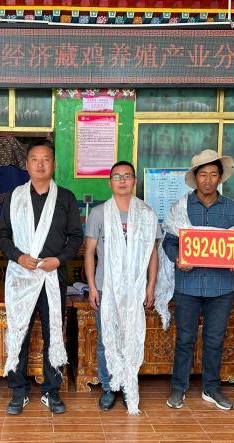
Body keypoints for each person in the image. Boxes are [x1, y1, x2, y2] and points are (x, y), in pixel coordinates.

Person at [161, 149, 234, 411]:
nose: (208, 180)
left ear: (220, 177)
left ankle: (211, 388)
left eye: (214, 174)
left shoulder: (232, 209)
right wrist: (178, 258)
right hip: (188, 285)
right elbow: (169, 242)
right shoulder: (181, 207)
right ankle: (179, 388)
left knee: (214, 339)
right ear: (195, 177)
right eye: (203, 174)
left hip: (220, 286)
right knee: (185, 339)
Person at [0, 141, 83, 415]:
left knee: (52, 332)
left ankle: (51, 391)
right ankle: (18, 391)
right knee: (19, 331)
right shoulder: (14, 196)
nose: (40, 164)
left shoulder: (66, 198)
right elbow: (2, 235)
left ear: (54, 164)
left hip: (52, 276)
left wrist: (59, 259)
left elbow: (76, 237)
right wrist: (18, 257)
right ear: (27, 164)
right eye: (35, 159)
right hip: (21, 275)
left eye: (46, 159)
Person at [84, 161, 160, 414]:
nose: (122, 181)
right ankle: (109, 387)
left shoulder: (146, 213)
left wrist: (151, 286)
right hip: (106, 287)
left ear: (134, 181)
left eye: (127, 176)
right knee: (106, 339)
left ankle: (128, 385)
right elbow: (89, 252)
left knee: (132, 336)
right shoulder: (99, 213)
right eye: (117, 177)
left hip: (135, 288)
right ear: (110, 182)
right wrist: (92, 287)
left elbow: (152, 253)